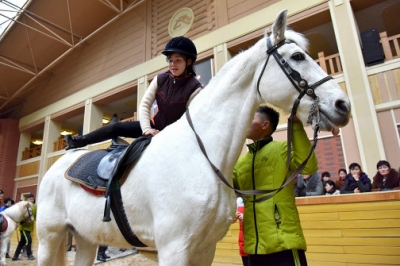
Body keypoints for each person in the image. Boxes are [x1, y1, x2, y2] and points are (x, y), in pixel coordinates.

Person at [65, 36, 202, 150]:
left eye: (178, 60)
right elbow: (144, 105)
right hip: (154, 127)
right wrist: (147, 129)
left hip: (176, 134)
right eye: (170, 60)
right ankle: (80, 141)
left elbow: (191, 121)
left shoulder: (195, 88)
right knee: (116, 126)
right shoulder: (160, 79)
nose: (173, 64)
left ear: (189, 61)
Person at [233, 105, 318, 266]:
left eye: (251, 118)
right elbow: (225, 188)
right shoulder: (241, 163)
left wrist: (297, 126)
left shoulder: (282, 149)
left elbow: (308, 167)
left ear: (265, 125)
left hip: (283, 243)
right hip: (254, 247)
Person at [12, 194, 37, 261]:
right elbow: (19, 215)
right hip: (24, 228)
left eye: (32, 199)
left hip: (30, 228)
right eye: (30, 199)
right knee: (28, 240)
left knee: (22, 242)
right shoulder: (23, 206)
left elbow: (36, 216)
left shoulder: (35, 207)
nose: (31, 200)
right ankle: (29, 255)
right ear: (27, 200)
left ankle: (15, 256)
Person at [234, 196, 248, 266]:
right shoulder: (239, 200)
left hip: (255, 238)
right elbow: (232, 221)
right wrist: (234, 215)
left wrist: (246, 217)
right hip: (243, 238)